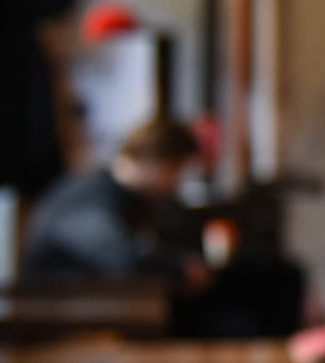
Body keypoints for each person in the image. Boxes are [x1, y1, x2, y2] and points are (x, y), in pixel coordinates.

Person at [20, 117, 206, 285]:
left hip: (88, 300)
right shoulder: (90, 195)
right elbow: (120, 260)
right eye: (177, 171)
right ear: (155, 161)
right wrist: (178, 268)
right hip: (55, 306)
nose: (177, 183)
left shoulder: (126, 198)